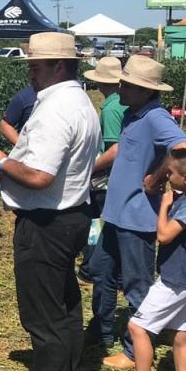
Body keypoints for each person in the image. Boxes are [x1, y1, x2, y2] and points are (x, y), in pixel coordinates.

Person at [0, 32, 100, 371]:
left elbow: (38, 175)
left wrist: (0, 161)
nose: (30, 73)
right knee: (65, 313)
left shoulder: (53, 110)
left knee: (44, 319)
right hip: (71, 217)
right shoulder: (81, 102)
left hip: (47, 224)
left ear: (59, 66)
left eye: (35, 66)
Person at [85, 56, 186, 367]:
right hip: (117, 213)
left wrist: (157, 177)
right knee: (102, 273)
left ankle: (135, 350)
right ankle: (102, 332)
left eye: (128, 85)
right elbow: (121, 149)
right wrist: (89, 170)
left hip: (137, 217)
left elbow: (184, 148)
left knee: (136, 284)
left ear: (146, 91)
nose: (120, 88)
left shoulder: (156, 117)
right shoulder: (133, 114)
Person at [107, 153, 186, 371]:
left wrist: (164, 206)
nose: (167, 177)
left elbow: (164, 236)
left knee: (138, 328)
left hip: (175, 280)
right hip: (185, 278)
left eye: (172, 174)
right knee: (179, 335)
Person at [76, 56, 127, 281]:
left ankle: (93, 268)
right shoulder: (119, 103)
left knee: (96, 223)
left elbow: (115, 149)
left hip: (106, 179)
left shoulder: (111, 108)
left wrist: (90, 169)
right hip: (113, 178)